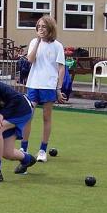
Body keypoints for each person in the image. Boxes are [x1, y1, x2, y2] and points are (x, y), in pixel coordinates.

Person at [21, 16, 66, 162]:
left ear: (50, 28)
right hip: (33, 84)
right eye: (38, 26)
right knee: (28, 115)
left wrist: (58, 88)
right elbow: (30, 60)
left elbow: (61, 68)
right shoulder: (34, 42)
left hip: (48, 86)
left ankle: (42, 150)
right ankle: (24, 147)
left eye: (43, 27)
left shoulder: (57, 46)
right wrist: (38, 41)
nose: (40, 29)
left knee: (46, 118)